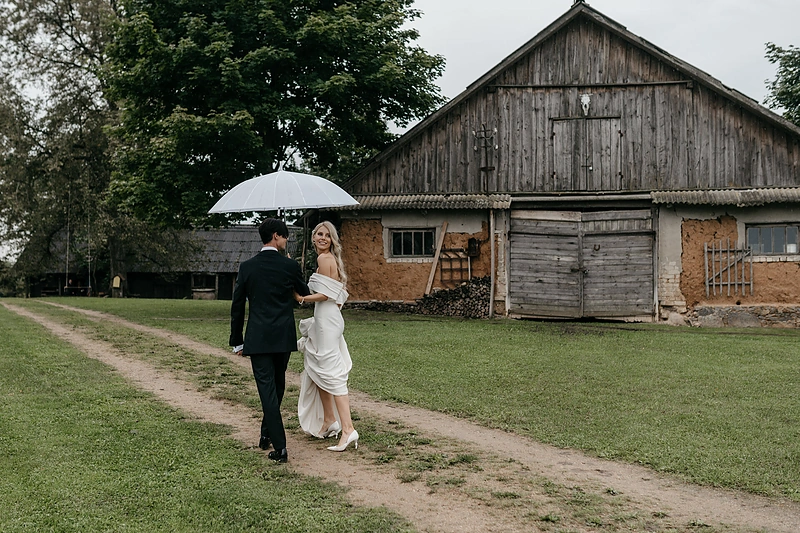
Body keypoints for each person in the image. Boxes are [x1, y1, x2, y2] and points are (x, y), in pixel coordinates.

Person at [230, 218, 310, 463]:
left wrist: (237, 340)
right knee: (277, 387)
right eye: (285, 237)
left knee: (269, 390)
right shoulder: (289, 266)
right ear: (276, 236)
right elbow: (304, 292)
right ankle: (274, 440)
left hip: (258, 337)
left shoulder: (247, 267)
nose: (286, 241)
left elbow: (237, 306)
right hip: (282, 337)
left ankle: (276, 442)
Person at [295, 221, 358, 452]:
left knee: (330, 371)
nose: (323, 238)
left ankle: (348, 428)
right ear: (313, 237)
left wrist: (301, 298)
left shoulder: (324, 259)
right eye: (319, 234)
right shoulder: (331, 259)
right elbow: (338, 294)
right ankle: (330, 419)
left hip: (327, 319)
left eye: (327, 235)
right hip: (327, 318)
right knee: (317, 367)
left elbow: (325, 295)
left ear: (332, 240)